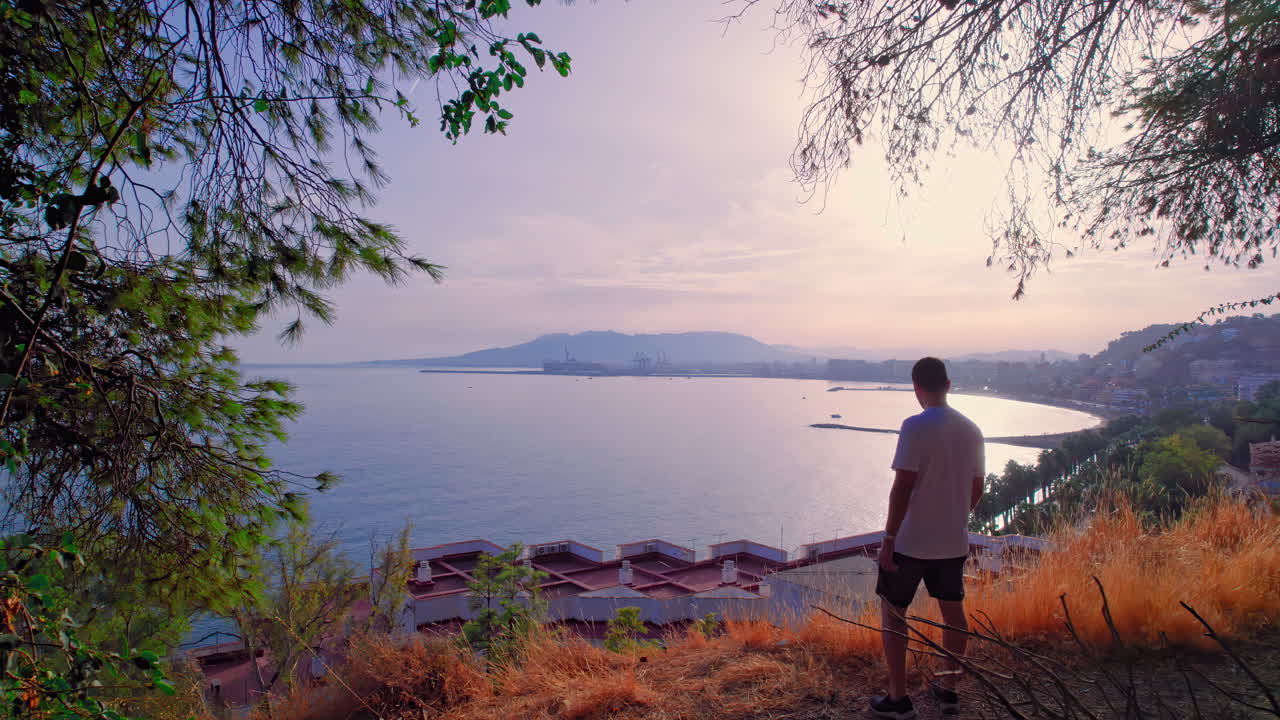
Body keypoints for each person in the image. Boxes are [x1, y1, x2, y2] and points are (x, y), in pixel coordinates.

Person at [869, 357, 984, 719]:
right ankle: (949, 690)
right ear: (948, 385)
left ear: (916, 388)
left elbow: (902, 486)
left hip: (910, 541)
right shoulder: (972, 429)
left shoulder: (915, 426)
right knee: (953, 614)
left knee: (894, 615)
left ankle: (899, 698)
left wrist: (888, 539)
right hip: (953, 541)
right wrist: (956, 517)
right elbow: (977, 486)